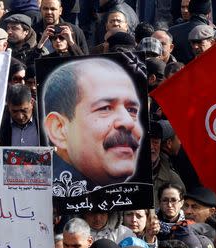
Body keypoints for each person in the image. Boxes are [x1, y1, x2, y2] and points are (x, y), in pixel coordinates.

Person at [42, 57, 144, 189]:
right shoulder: (44, 199)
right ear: (59, 129)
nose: (128, 122)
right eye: (105, 108)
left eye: (132, 110)